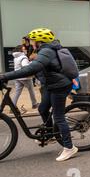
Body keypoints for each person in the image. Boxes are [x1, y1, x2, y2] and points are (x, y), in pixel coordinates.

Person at [0, 28, 78, 162]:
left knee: (58, 116)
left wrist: (5, 76)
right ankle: (49, 134)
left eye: (33, 40)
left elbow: (32, 68)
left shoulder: (47, 51)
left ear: (39, 41)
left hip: (59, 86)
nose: (31, 43)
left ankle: (69, 148)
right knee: (42, 109)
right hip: (50, 84)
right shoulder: (43, 50)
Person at [11, 45, 39, 112]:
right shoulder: (23, 57)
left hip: (17, 76)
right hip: (25, 77)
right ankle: (34, 104)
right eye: (24, 49)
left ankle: (12, 106)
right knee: (31, 90)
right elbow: (25, 67)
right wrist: (32, 62)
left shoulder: (15, 57)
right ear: (20, 50)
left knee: (17, 92)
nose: (25, 50)